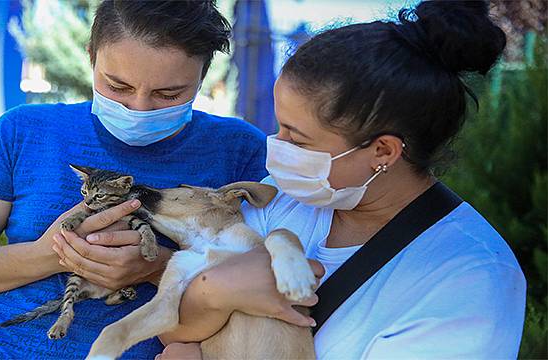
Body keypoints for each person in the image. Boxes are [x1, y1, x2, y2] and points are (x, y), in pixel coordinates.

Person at [156, 1, 526, 359]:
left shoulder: (470, 281)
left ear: (383, 151)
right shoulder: (284, 198)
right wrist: (214, 293)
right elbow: (173, 324)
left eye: (298, 139)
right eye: (280, 127)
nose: (277, 148)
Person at [0, 1, 268, 359]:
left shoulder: (239, 150)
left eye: (169, 94)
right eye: (117, 86)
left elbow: (271, 280)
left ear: (203, 75)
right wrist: (50, 255)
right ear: (91, 56)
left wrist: (158, 268)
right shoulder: (24, 131)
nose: (139, 108)